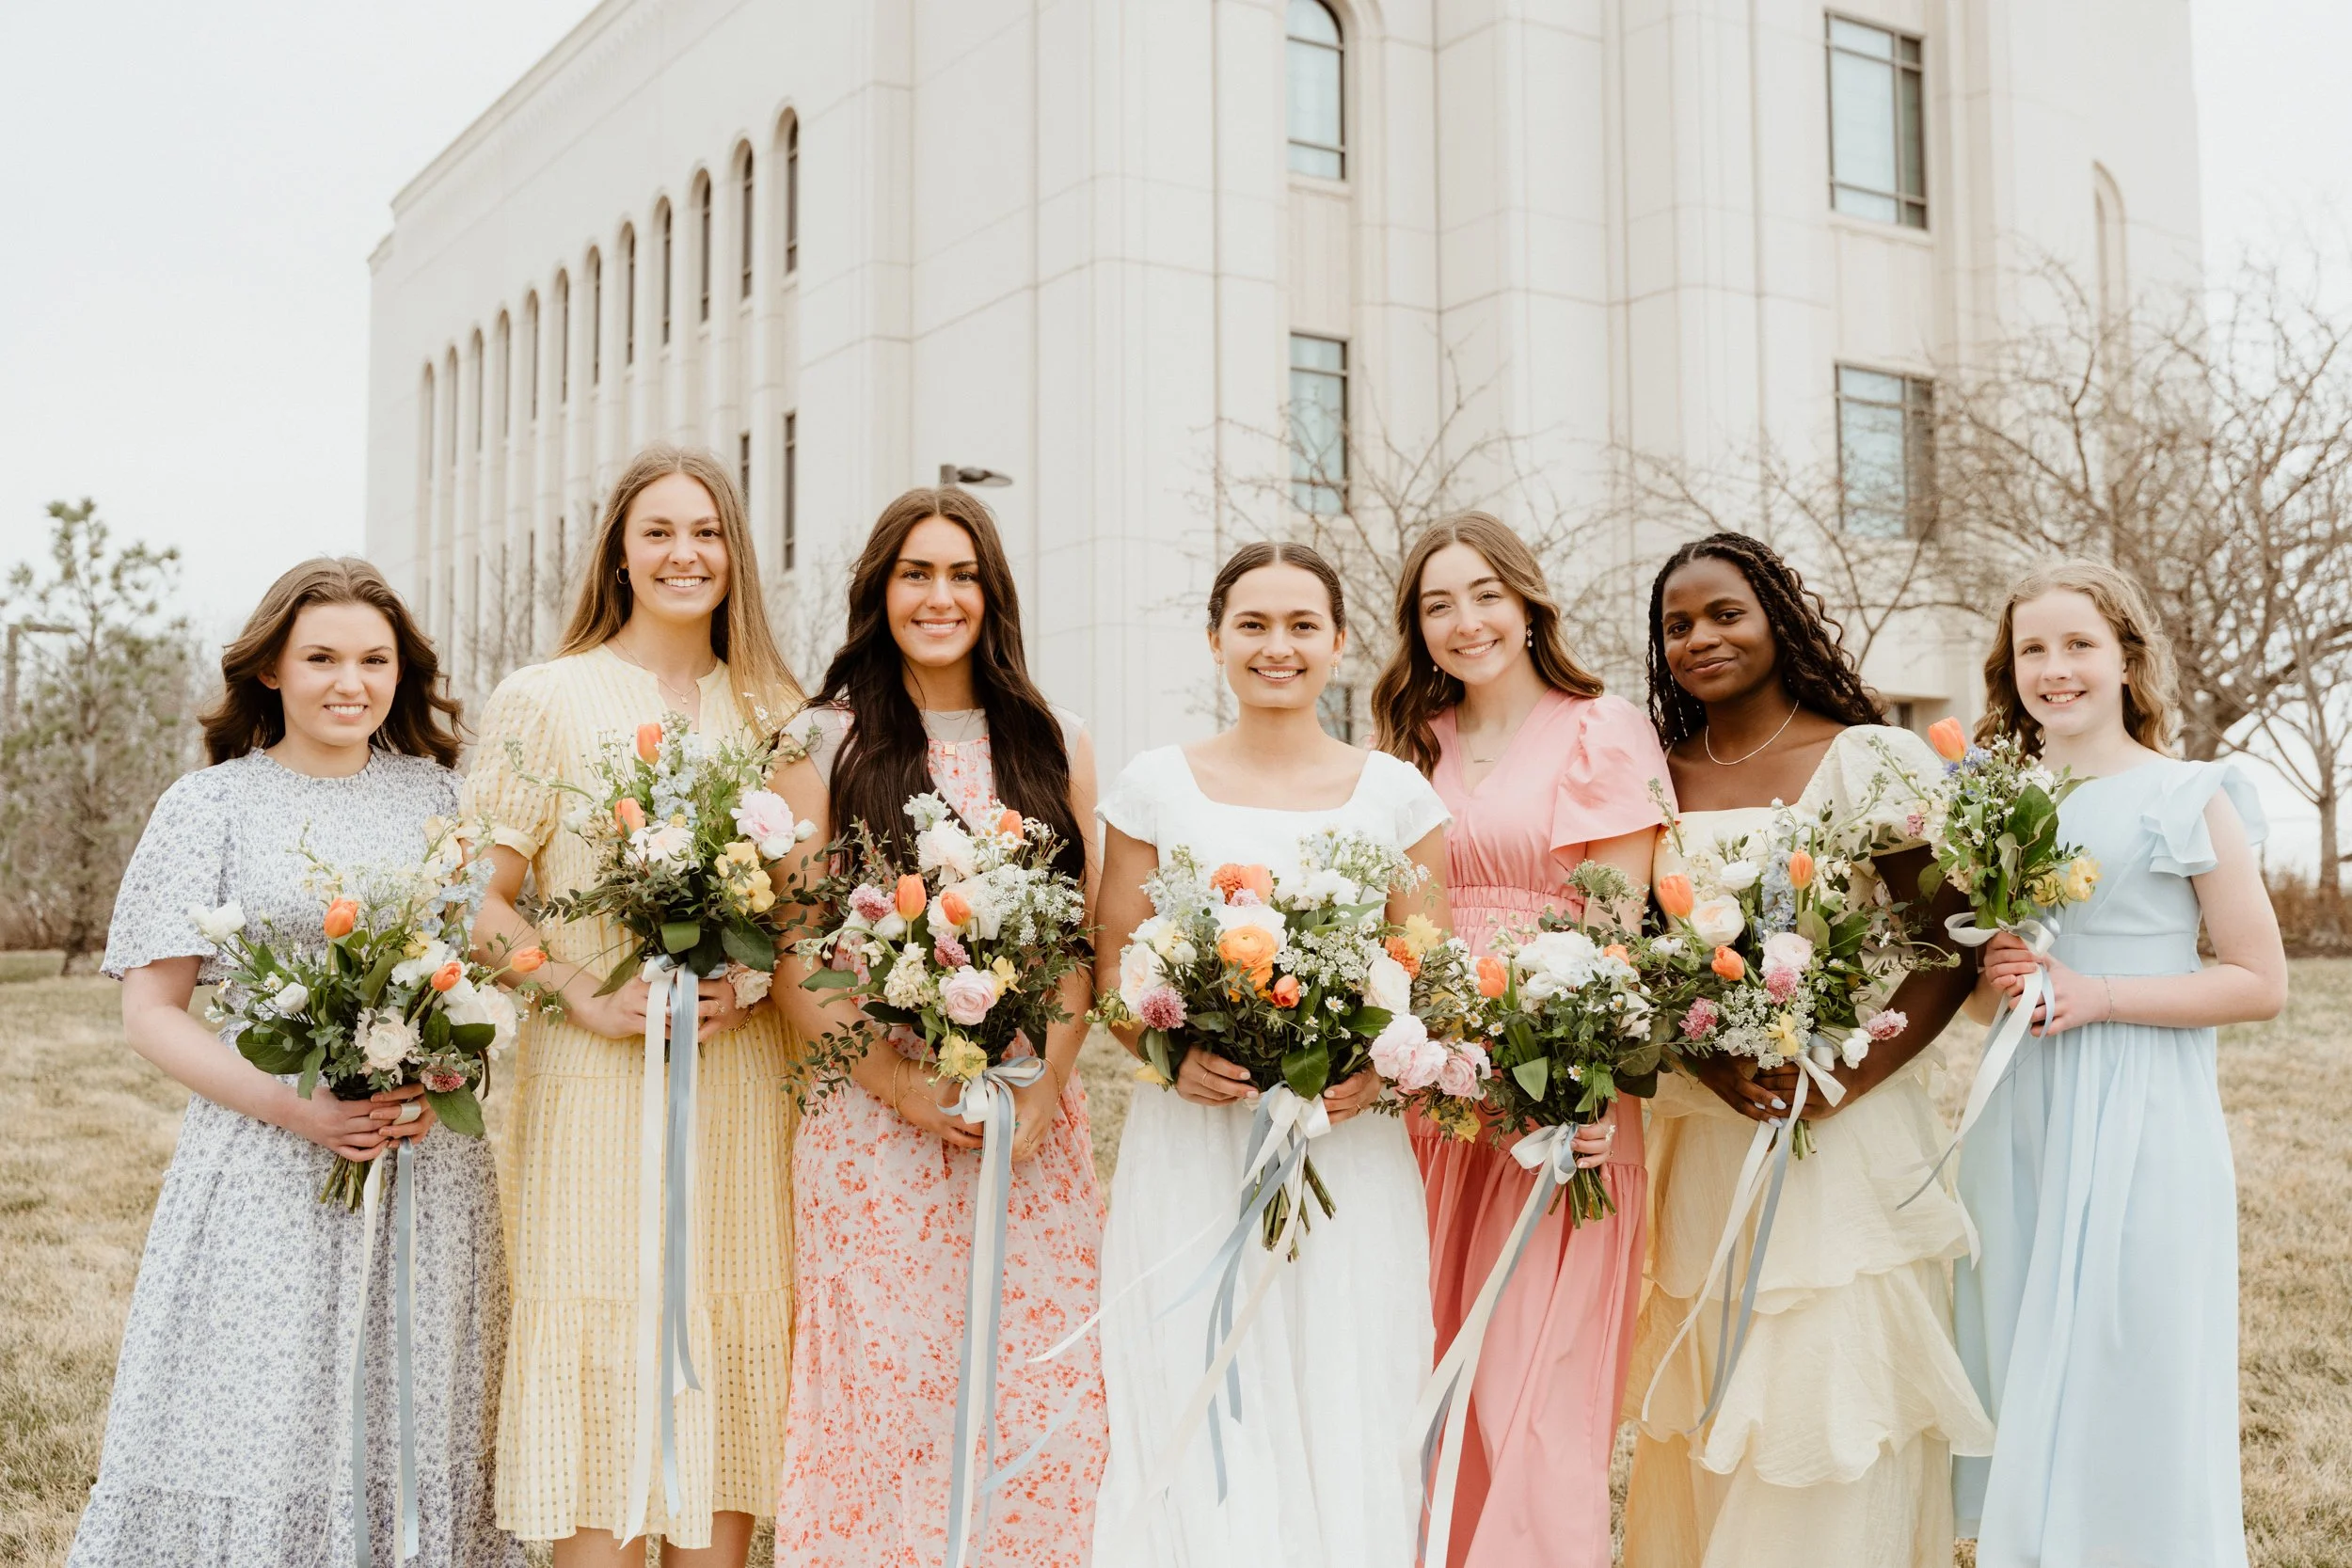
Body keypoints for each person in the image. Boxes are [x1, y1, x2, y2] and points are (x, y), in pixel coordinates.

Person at [70, 559, 516, 1568]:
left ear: (403, 673)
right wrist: (298, 1106)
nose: (348, 681)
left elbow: (480, 953)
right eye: (320, 656)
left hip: (422, 1172)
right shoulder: (209, 805)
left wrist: (443, 1061)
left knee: (414, 1408)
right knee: (260, 1407)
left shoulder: (439, 797)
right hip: (266, 1162)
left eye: (373, 658)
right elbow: (152, 1011)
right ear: (271, 665)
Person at [1621, 532, 1992, 1568]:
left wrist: (1846, 1070)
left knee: (1821, 1382)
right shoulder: (1654, 776)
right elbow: (1643, 951)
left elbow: (1941, 943)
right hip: (1707, 1127)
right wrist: (1710, 1064)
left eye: (1725, 613)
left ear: (1778, 616)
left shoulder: (1868, 756)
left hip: (1844, 1127)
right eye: (1677, 624)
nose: (1700, 637)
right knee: (1716, 1379)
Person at [465, 445, 802, 1567]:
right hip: (594, 1083)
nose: (683, 553)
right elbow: (480, 896)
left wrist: (745, 980)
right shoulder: (545, 697)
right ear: (619, 548)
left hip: (740, 1087)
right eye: (657, 530)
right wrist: (577, 992)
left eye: (705, 531)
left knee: (726, 1327)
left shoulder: (780, 710)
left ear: (735, 553)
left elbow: (809, 910)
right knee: (601, 1344)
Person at [1089, 540, 1452, 1568]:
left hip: (1346, 1144)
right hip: (1195, 1139)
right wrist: (1167, 1059)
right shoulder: (1154, 784)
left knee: (1347, 1378)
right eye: (1252, 624)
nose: (1276, 645)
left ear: (1339, 642)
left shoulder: (1394, 794)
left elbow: (1426, 976)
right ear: (1214, 641)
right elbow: (1119, 964)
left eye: (1301, 625)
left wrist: (1378, 1069)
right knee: (1197, 1382)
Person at [767, 485, 1109, 1564]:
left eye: (961, 573)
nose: (939, 594)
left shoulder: (1053, 741)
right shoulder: (820, 740)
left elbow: (1076, 944)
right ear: (878, 590)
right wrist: (902, 1086)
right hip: (877, 1132)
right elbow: (797, 948)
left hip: (1030, 1126)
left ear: (992, 593)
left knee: (1037, 1387)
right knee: (889, 1394)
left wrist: (1043, 1090)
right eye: (916, 572)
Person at [1954, 562, 2283, 1567]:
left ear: (2127, 659)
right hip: (2028, 1105)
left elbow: (2258, 980)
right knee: (2022, 1341)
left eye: (2078, 645)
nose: (2055, 669)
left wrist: (2100, 993)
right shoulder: (1996, 800)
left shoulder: (2187, 795)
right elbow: (1980, 995)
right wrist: (1999, 971)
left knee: (2131, 1348)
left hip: (2144, 1108)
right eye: (2033, 650)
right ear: (2008, 671)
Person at [1369, 513, 1664, 1568]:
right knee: (1428, 1370)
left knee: (1533, 1394)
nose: (1465, 620)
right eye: (1437, 603)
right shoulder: (1407, 746)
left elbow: (1618, 924)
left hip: (1560, 1094)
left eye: (1485, 593)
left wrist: (1578, 1086)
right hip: (1433, 1100)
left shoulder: (1602, 728)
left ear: (1529, 602)